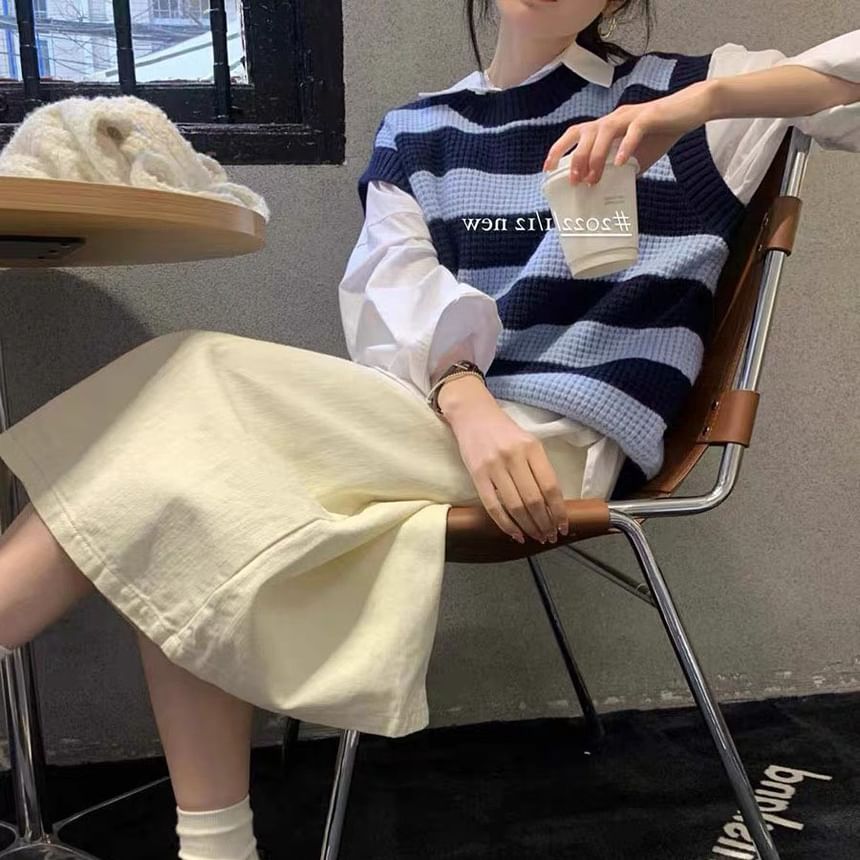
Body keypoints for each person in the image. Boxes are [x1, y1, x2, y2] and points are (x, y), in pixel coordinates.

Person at [0, 2, 857, 858]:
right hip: (448, 421)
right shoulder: (417, 132)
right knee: (176, 472)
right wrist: (464, 396)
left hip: (563, 442)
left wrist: (696, 107)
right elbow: (393, 289)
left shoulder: (692, 93)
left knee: (188, 380)